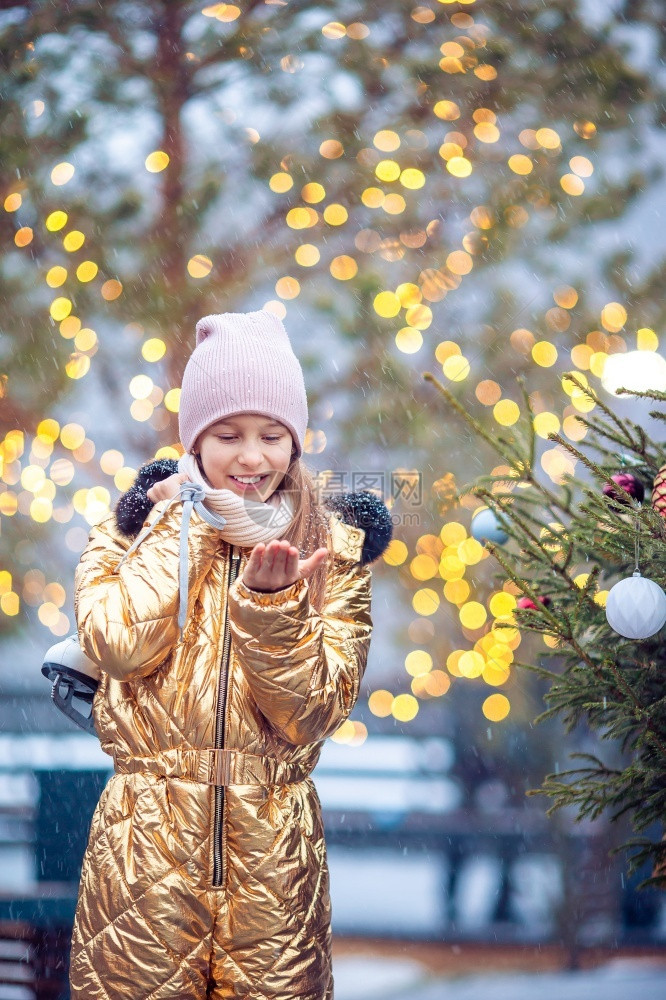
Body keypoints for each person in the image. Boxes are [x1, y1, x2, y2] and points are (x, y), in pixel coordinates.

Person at [69, 309, 392, 1000]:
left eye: (272, 435)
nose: (252, 457)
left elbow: (313, 713)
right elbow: (120, 646)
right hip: (143, 846)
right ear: (193, 442)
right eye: (227, 435)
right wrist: (173, 523)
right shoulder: (130, 533)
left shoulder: (332, 549)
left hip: (272, 852)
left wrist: (273, 611)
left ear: (295, 442)